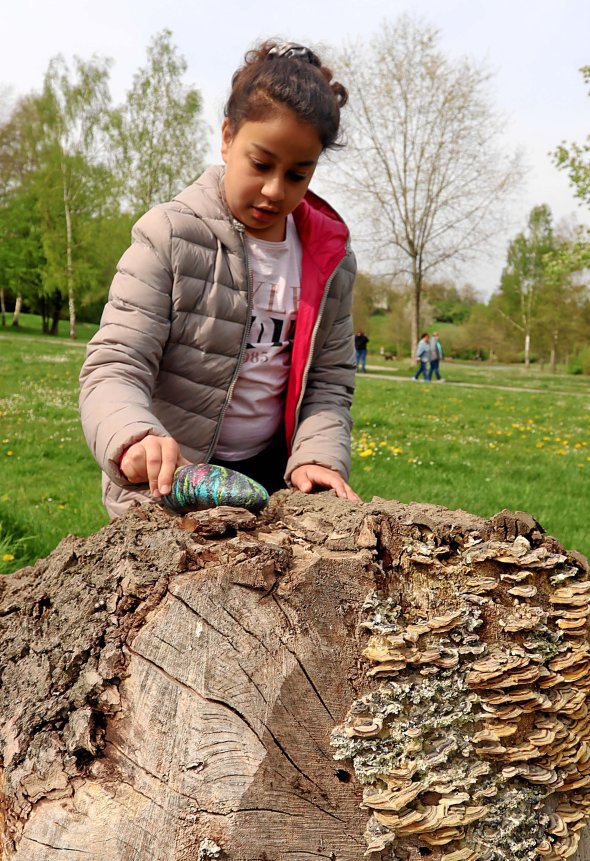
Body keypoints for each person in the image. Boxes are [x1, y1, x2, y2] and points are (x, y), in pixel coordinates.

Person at [79, 40, 361, 519]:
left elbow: (329, 383)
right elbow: (116, 363)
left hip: (275, 482)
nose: (275, 190)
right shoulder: (168, 234)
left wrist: (317, 456)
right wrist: (132, 435)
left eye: (298, 174)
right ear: (228, 136)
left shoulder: (329, 259)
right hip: (170, 482)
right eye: (261, 163)